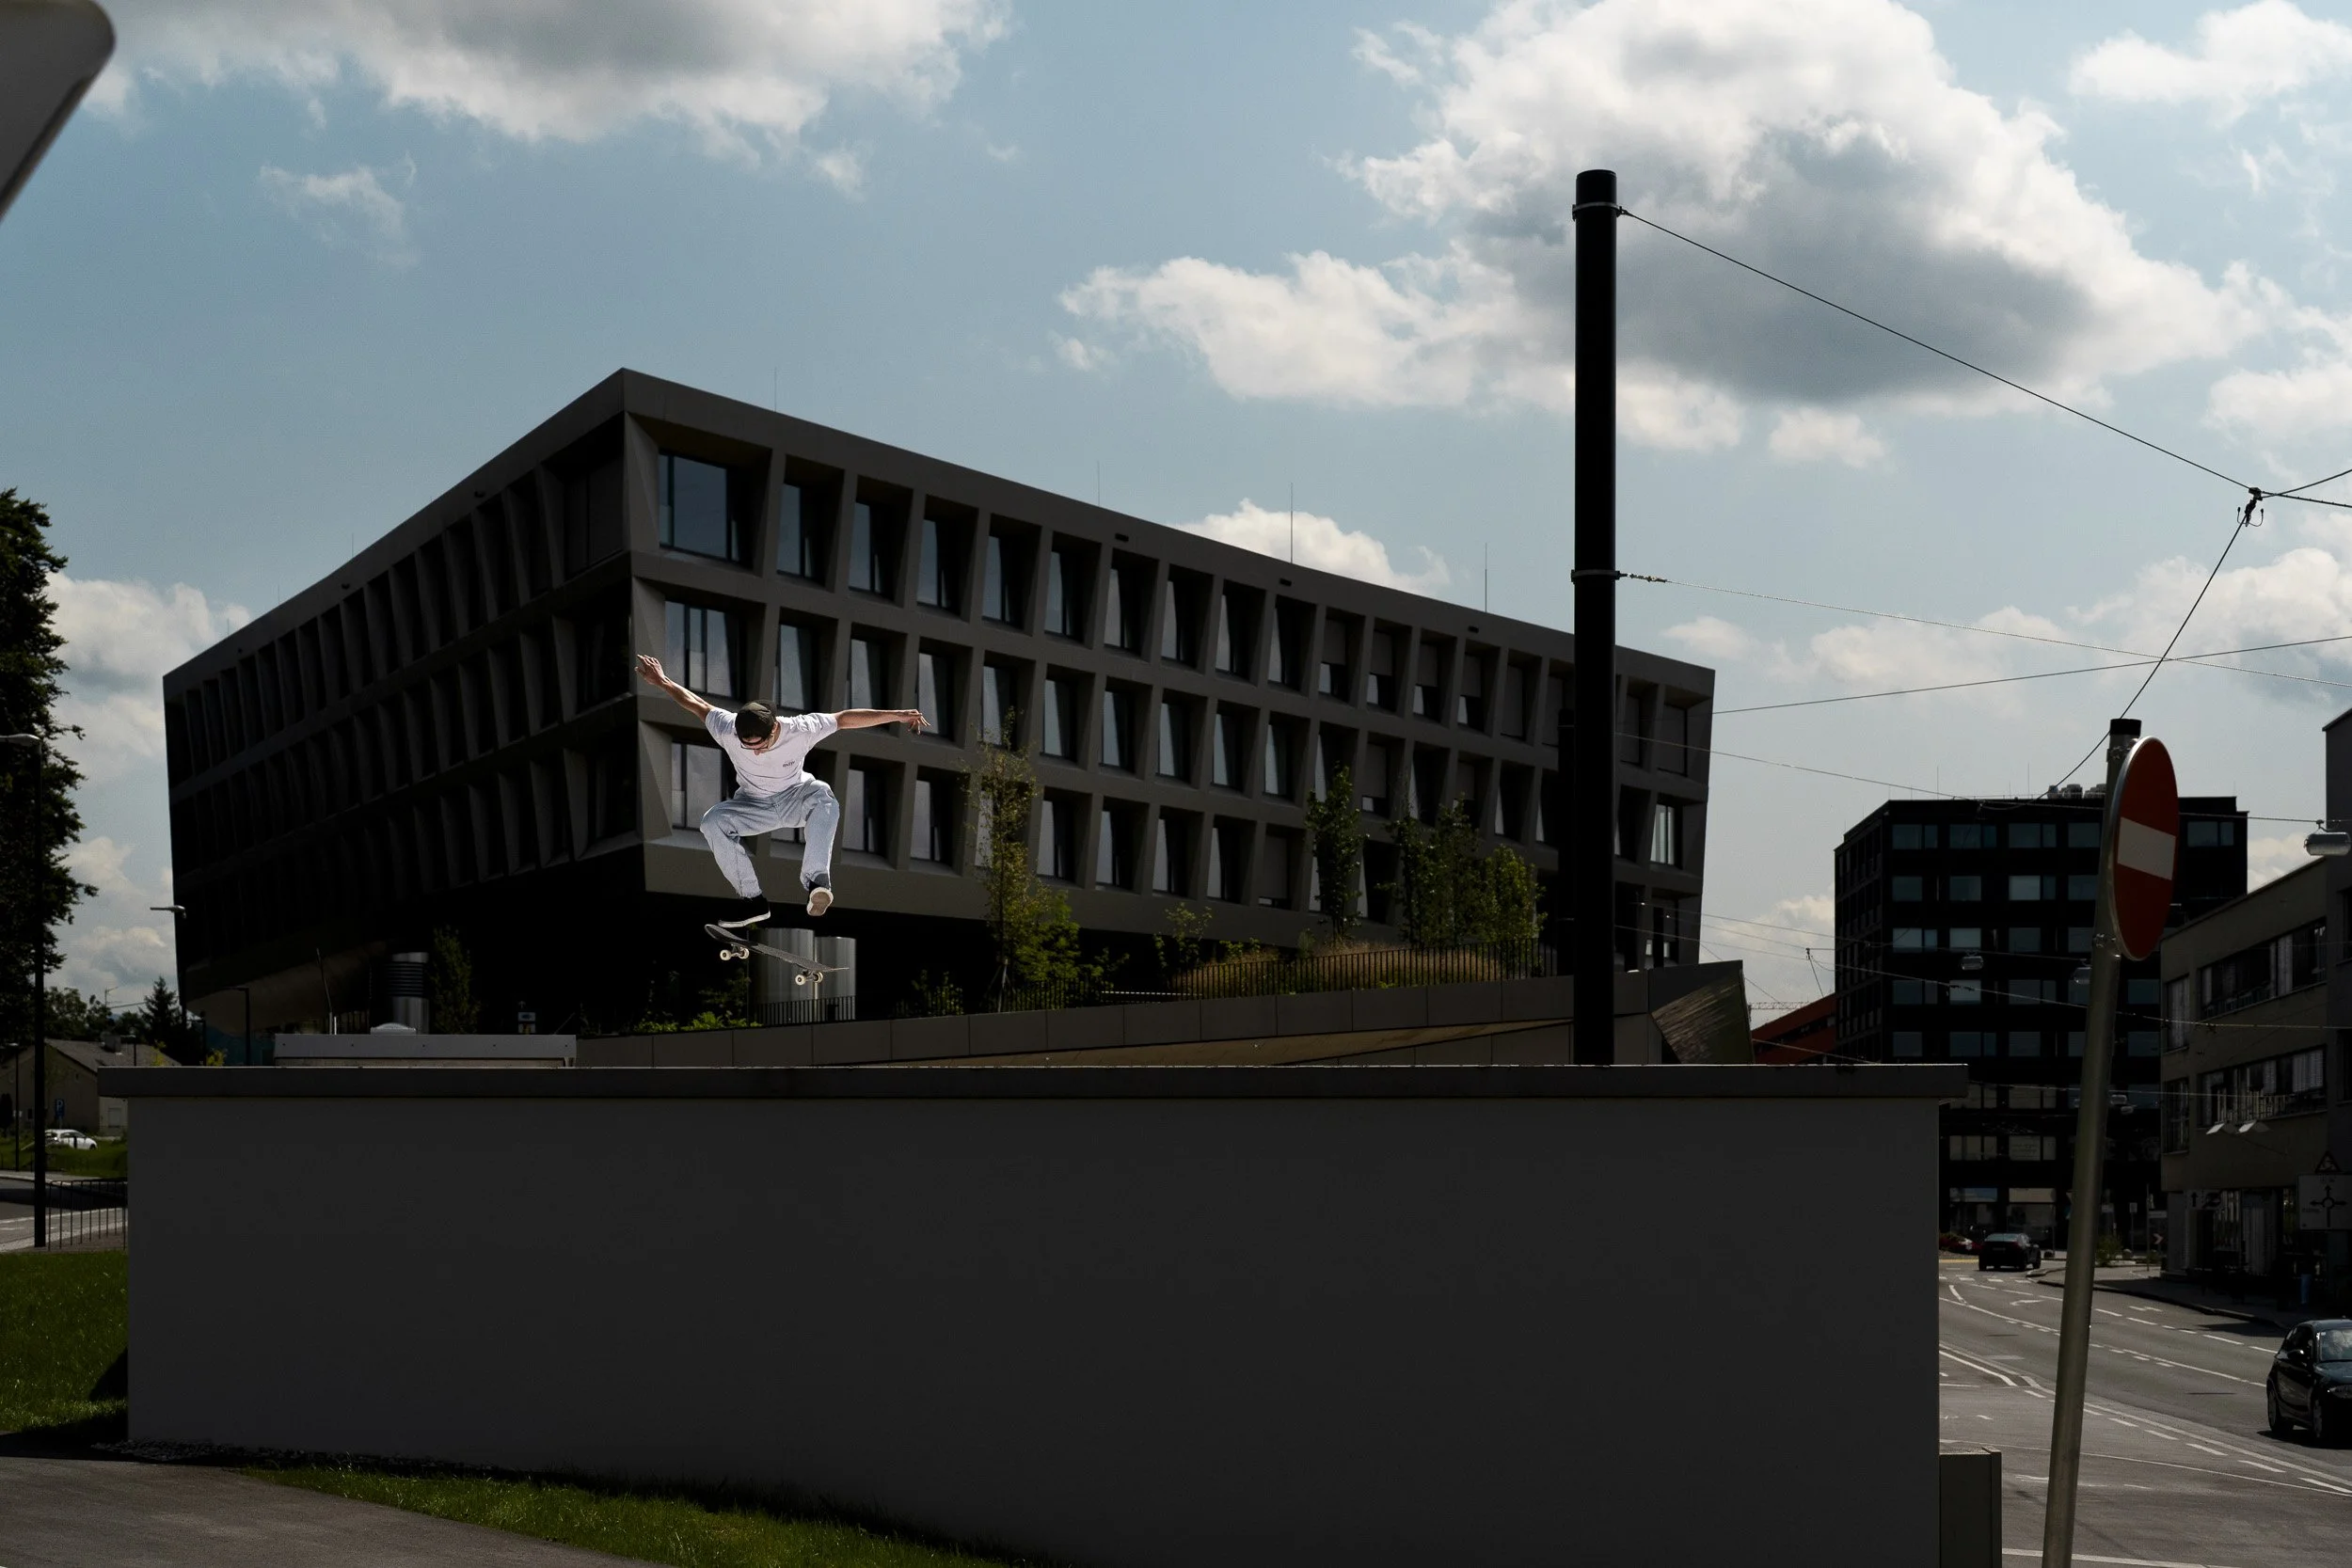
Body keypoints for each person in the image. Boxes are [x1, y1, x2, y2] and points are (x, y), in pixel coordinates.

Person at [636, 654, 925, 930]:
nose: (755, 752)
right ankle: (753, 900)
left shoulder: (800, 729)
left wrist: (898, 715)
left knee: (823, 796)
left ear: (774, 730)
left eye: (759, 745)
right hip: (752, 805)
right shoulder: (727, 729)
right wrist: (662, 681)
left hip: (795, 798)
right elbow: (697, 704)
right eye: (747, 746)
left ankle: (816, 882)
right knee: (712, 822)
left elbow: (844, 718)